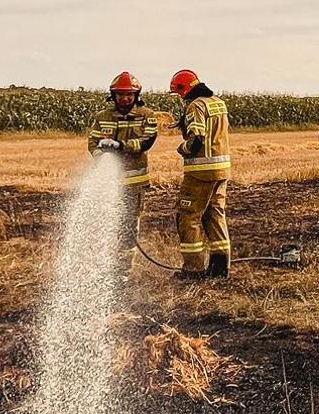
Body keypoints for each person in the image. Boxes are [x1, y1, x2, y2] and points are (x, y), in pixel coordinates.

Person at [86, 72, 162, 253]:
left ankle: (123, 270)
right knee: (107, 222)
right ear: (113, 96)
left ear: (137, 96)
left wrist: (121, 146)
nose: (125, 98)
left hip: (133, 183)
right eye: (121, 95)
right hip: (108, 181)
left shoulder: (147, 116)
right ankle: (104, 258)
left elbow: (147, 141)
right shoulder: (102, 116)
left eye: (129, 95)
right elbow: (92, 142)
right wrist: (101, 156)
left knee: (128, 226)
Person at [168, 69, 232, 278]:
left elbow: (198, 139)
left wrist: (182, 148)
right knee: (215, 215)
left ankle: (193, 269)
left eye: (178, 93)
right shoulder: (218, 103)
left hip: (200, 172)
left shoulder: (196, 106)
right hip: (221, 169)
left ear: (184, 89)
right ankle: (220, 267)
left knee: (188, 216)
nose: (179, 97)